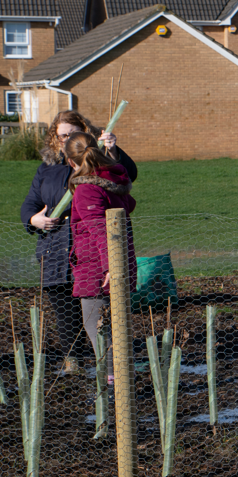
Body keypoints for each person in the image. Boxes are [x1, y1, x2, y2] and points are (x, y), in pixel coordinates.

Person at [21, 110, 138, 371]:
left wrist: (110, 266)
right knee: (81, 316)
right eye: (61, 135)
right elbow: (30, 204)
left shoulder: (91, 183)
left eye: (71, 134)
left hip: (93, 260)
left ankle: (112, 376)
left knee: (96, 321)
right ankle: (86, 366)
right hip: (61, 252)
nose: (64, 139)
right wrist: (33, 219)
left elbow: (101, 227)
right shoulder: (52, 170)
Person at [63, 132, 137, 372]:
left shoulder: (86, 189)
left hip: (98, 269)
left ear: (71, 161)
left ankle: (113, 383)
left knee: (97, 328)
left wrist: (109, 267)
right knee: (115, 327)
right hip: (118, 263)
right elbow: (129, 204)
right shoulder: (111, 180)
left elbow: (100, 231)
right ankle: (121, 380)